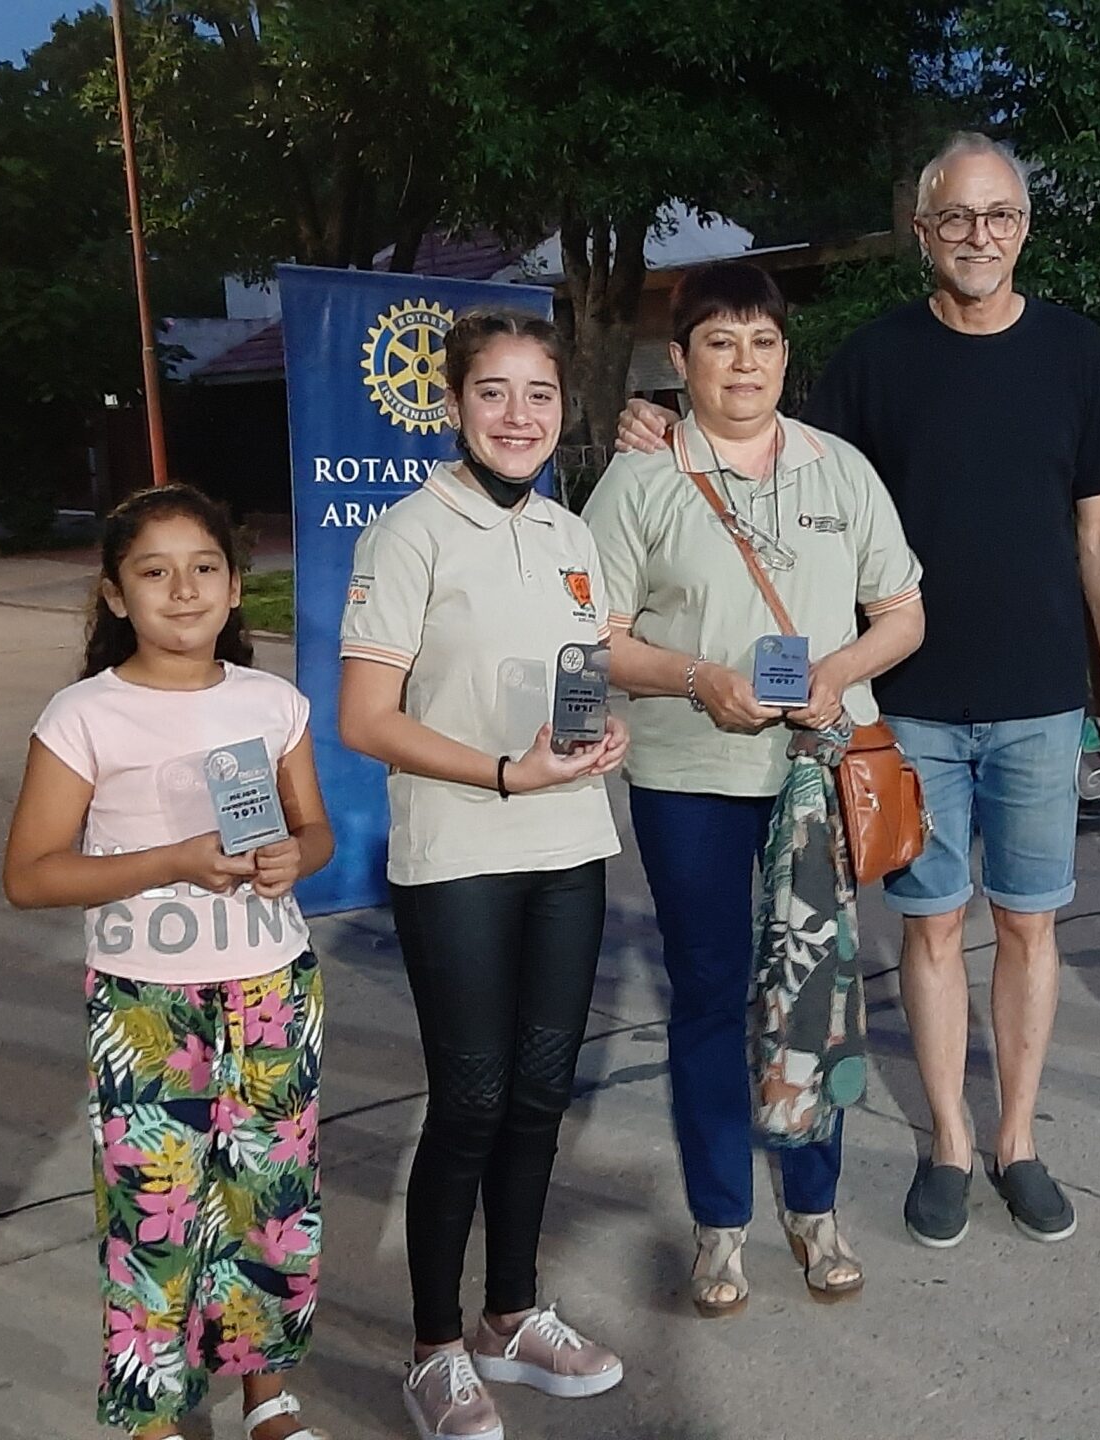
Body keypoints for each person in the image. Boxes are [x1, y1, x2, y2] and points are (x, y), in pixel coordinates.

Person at [616, 133, 1100, 1251]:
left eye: (999, 216)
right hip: (905, 711)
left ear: (1024, 227)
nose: (978, 237)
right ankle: (948, 1144)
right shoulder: (873, 359)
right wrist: (661, 423)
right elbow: (767, 452)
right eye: (956, 217)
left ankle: (1018, 1142)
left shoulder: (1075, 351)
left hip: (1044, 697)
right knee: (930, 929)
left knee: (1031, 926)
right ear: (922, 231)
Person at [588, 262, 925, 1316]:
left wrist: (839, 672)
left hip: (816, 775)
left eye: (763, 342)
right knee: (707, 993)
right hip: (690, 774)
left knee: (815, 992)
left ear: (786, 355)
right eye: (720, 343)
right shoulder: (640, 479)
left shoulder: (839, 470)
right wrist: (699, 679)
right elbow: (596, 636)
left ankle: (815, 1208)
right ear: (680, 360)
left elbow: (904, 610)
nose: (744, 364)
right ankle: (721, 1221)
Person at [337, 309, 632, 1440]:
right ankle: (435, 1346)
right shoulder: (408, 533)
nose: (519, 416)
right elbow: (367, 718)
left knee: (542, 1093)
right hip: (458, 855)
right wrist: (506, 775)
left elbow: (583, 675)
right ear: (455, 404)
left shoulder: (569, 532)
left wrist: (598, 736)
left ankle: (511, 1313)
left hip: (569, 850)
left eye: (539, 394)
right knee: (469, 1102)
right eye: (494, 392)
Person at [3, 486, 334, 1440]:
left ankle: (267, 1396)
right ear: (116, 595)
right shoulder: (85, 716)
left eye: (204, 569)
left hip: (272, 989)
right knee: (156, 1210)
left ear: (234, 588)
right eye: (155, 572)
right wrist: (174, 862)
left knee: (270, 1199)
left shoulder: (271, 702)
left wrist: (295, 857)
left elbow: (313, 830)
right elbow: (30, 874)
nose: (183, 590)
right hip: (146, 1005)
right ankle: (154, 1413)